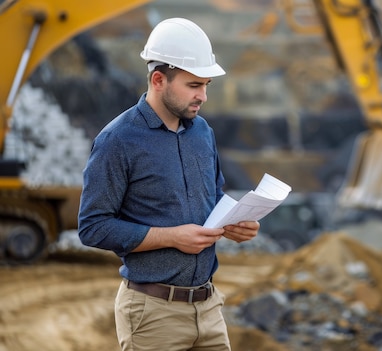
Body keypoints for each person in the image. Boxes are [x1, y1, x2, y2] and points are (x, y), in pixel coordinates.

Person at [78, 17, 259, 351]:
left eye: (206, 85)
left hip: (208, 308)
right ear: (159, 79)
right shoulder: (117, 141)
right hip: (152, 315)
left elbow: (213, 196)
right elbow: (93, 226)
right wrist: (172, 237)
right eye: (194, 85)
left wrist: (235, 222)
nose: (203, 95)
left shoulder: (202, 132)